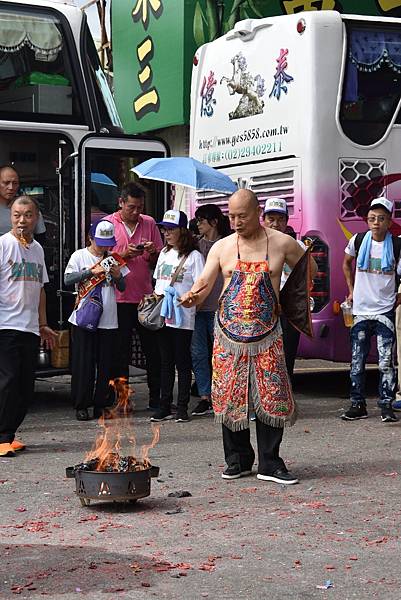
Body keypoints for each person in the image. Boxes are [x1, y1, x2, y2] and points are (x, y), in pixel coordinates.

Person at [180, 189, 314, 485]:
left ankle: (270, 463)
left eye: (242, 215)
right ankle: (237, 460)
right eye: (232, 216)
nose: (236, 221)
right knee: (230, 395)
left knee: (272, 394)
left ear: (258, 213)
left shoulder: (281, 243)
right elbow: (205, 280)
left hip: (268, 332)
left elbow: (309, 268)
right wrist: (193, 295)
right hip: (228, 334)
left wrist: (290, 300)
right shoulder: (222, 246)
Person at [0, 196, 57, 457]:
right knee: (8, 381)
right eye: (16, 215)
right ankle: (1, 436)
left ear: (36, 218)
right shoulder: (3, 245)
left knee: (25, 386)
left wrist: (43, 323)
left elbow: (41, 289)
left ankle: (9, 433)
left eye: (27, 215)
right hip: (5, 325)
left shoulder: (37, 250)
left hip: (30, 327)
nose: (22, 220)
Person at [342, 197, 401, 423]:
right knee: (357, 360)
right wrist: (351, 290)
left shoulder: (396, 245)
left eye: (382, 218)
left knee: (386, 361)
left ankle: (386, 404)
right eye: (372, 218)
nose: (376, 222)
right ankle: (357, 404)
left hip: (384, 311)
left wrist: (398, 297)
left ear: (389, 222)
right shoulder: (358, 241)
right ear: (367, 220)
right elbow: (346, 263)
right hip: (361, 310)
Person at [106, 182, 163, 409]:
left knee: (153, 351)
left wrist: (151, 253)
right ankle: (122, 399)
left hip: (145, 299)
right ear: (120, 203)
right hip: (118, 299)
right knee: (120, 353)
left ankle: (156, 397)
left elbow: (158, 261)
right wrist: (123, 255)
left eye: (140, 207)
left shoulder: (149, 223)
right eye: (131, 207)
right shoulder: (108, 224)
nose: (136, 212)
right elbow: (101, 263)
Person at [65, 220, 129, 421]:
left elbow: (123, 287)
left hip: (108, 318)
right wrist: (90, 272)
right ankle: (81, 404)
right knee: (83, 363)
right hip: (84, 317)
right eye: (100, 242)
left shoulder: (113, 258)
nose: (104, 247)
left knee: (105, 364)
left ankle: (101, 403)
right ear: (90, 238)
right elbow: (67, 280)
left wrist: (117, 276)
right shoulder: (79, 255)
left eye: (107, 243)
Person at [150, 209, 205, 423]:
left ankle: (182, 407)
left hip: (183, 317)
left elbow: (201, 285)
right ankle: (164, 406)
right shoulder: (164, 253)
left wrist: (190, 301)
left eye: (171, 229)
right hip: (163, 314)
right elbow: (157, 281)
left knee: (182, 363)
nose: (166, 233)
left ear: (183, 231)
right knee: (165, 362)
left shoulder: (194, 257)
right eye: (164, 229)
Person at [191, 204, 231, 416]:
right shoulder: (195, 245)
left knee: (221, 355)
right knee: (198, 354)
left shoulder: (228, 244)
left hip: (221, 308)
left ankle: (221, 394)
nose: (198, 224)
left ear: (214, 222)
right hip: (198, 308)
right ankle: (204, 396)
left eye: (202, 220)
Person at [263, 197, 307, 382]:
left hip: (288, 310)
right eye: (271, 218)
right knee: (263, 357)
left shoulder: (298, 247)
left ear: (287, 221)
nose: (276, 224)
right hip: (263, 308)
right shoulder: (256, 248)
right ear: (263, 220)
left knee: (286, 356)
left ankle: (285, 399)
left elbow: (308, 275)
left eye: (281, 219)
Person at [0, 165, 46, 237]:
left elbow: (40, 238)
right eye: (6, 183)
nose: (11, 187)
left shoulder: (30, 208)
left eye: (15, 183)